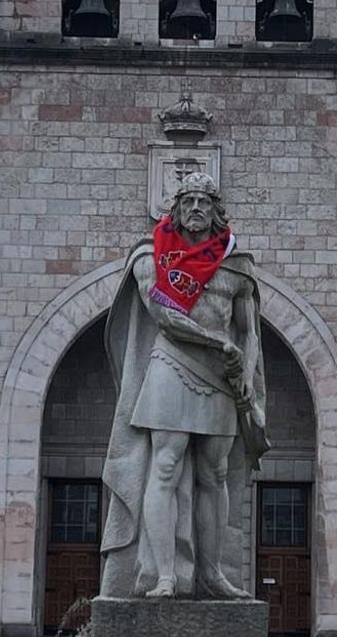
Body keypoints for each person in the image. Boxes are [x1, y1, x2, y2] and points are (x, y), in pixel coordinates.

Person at [101, 173, 267, 600]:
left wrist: (246, 372)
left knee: (215, 474)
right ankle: (164, 575)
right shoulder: (152, 256)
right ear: (175, 210)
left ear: (216, 211)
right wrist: (217, 343)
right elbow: (164, 316)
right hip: (171, 365)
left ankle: (211, 573)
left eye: (204, 202)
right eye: (188, 201)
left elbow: (250, 333)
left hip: (222, 378)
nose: (196, 208)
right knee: (166, 467)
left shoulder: (236, 265)